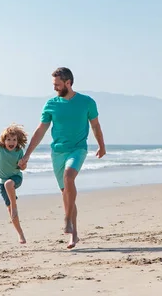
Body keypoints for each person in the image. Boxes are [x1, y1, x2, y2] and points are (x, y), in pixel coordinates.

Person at [18, 67, 106, 249]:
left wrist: (101, 146)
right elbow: (40, 130)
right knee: (66, 192)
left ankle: (67, 218)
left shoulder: (87, 102)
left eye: (57, 85)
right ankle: (74, 235)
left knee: (69, 177)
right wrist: (27, 155)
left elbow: (95, 125)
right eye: (53, 85)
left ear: (68, 83)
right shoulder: (51, 104)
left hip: (78, 149)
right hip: (57, 152)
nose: (55, 88)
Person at [0, 119, 28, 244]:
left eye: (14, 140)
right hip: (1, 183)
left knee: (9, 184)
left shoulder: (19, 151)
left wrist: (22, 164)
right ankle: (21, 234)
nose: (11, 142)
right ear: (4, 140)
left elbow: (23, 167)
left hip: (15, 179)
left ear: (17, 141)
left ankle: (14, 206)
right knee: (9, 210)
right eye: (8, 139)